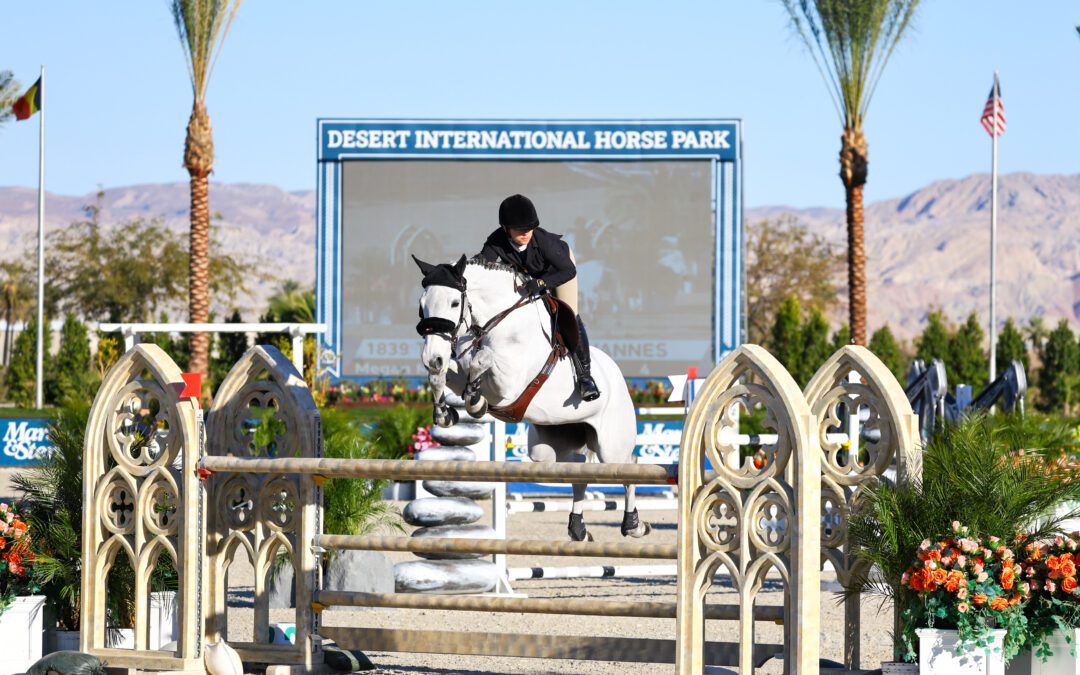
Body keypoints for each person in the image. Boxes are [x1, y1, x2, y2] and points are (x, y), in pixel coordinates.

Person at [479, 194, 600, 402]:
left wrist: (542, 283)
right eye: (520, 229)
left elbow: (568, 270)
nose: (526, 233)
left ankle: (585, 377)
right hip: (530, 276)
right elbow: (481, 266)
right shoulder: (496, 241)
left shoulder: (544, 242)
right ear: (506, 229)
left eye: (529, 228)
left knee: (569, 313)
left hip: (559, 271)